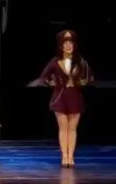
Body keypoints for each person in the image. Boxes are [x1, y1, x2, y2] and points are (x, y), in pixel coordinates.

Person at [36, 30, 92, 168]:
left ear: (74, 45)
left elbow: (90, 77)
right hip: (59, 98)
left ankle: (71, 156)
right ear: (61, 45)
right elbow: (43, 77)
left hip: (75, 98)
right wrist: (51, 83)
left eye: (70, 43)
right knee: (63, 128)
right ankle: (64, 156)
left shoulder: (80, 61)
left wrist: (80, 82)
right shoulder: (55, 61)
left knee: (72, 129)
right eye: (65, 43)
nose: (68, 45)